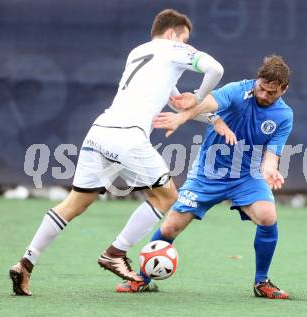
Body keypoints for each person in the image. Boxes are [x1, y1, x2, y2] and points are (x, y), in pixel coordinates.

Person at [9, 8, 226, 296]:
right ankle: (115, 252)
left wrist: (211, 118)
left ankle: (26, 263)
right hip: (127, 137)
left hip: (98, 131)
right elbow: (216, 69)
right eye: (185, 39)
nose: (186, 45)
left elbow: (175, 102)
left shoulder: (138, 52)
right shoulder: (174, 49)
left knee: (75, 203)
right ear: (172, 34)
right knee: (167, 197)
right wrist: (199, 96)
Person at [117, 55, 293, 299]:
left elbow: (272, 155)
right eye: (261, 88)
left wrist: (270, 169)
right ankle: (142, 278)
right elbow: (207, 102)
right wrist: (180, 117)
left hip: (246, 177)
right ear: (257, 80)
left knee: (267, 216)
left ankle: (261, 282)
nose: (263, 95)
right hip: (207, 174)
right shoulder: (237, 91)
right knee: (170, 227)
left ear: (284, 89)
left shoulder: (284, 116)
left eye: (271, 92)